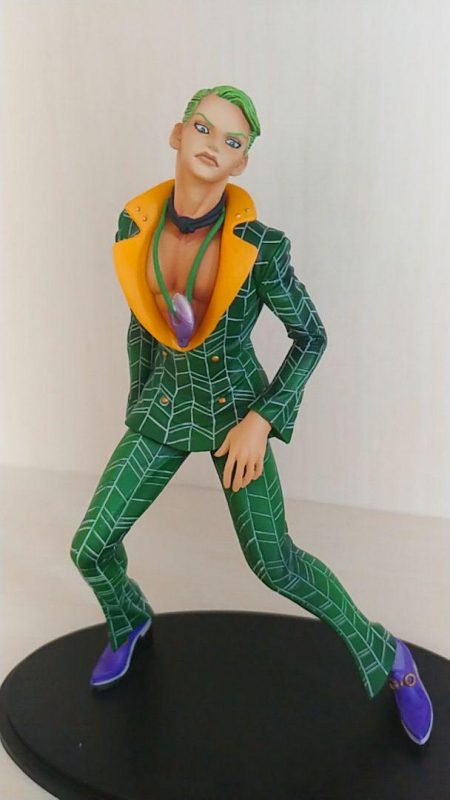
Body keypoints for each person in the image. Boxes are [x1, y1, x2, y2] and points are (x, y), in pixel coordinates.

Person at [70, 84, 433, 745]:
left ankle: (388, 655)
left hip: (237, 410)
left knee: (274, 561)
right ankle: (129, 618)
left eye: (232, 140)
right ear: (177, 133)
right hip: (164, 407)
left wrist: (262, 420)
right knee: (90, 545)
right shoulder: (134, 225)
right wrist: (138, 400)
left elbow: (311, 335)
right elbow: (143, 320)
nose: (214, 145)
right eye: (203, 128)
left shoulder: (261, 248)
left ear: (241, 163)